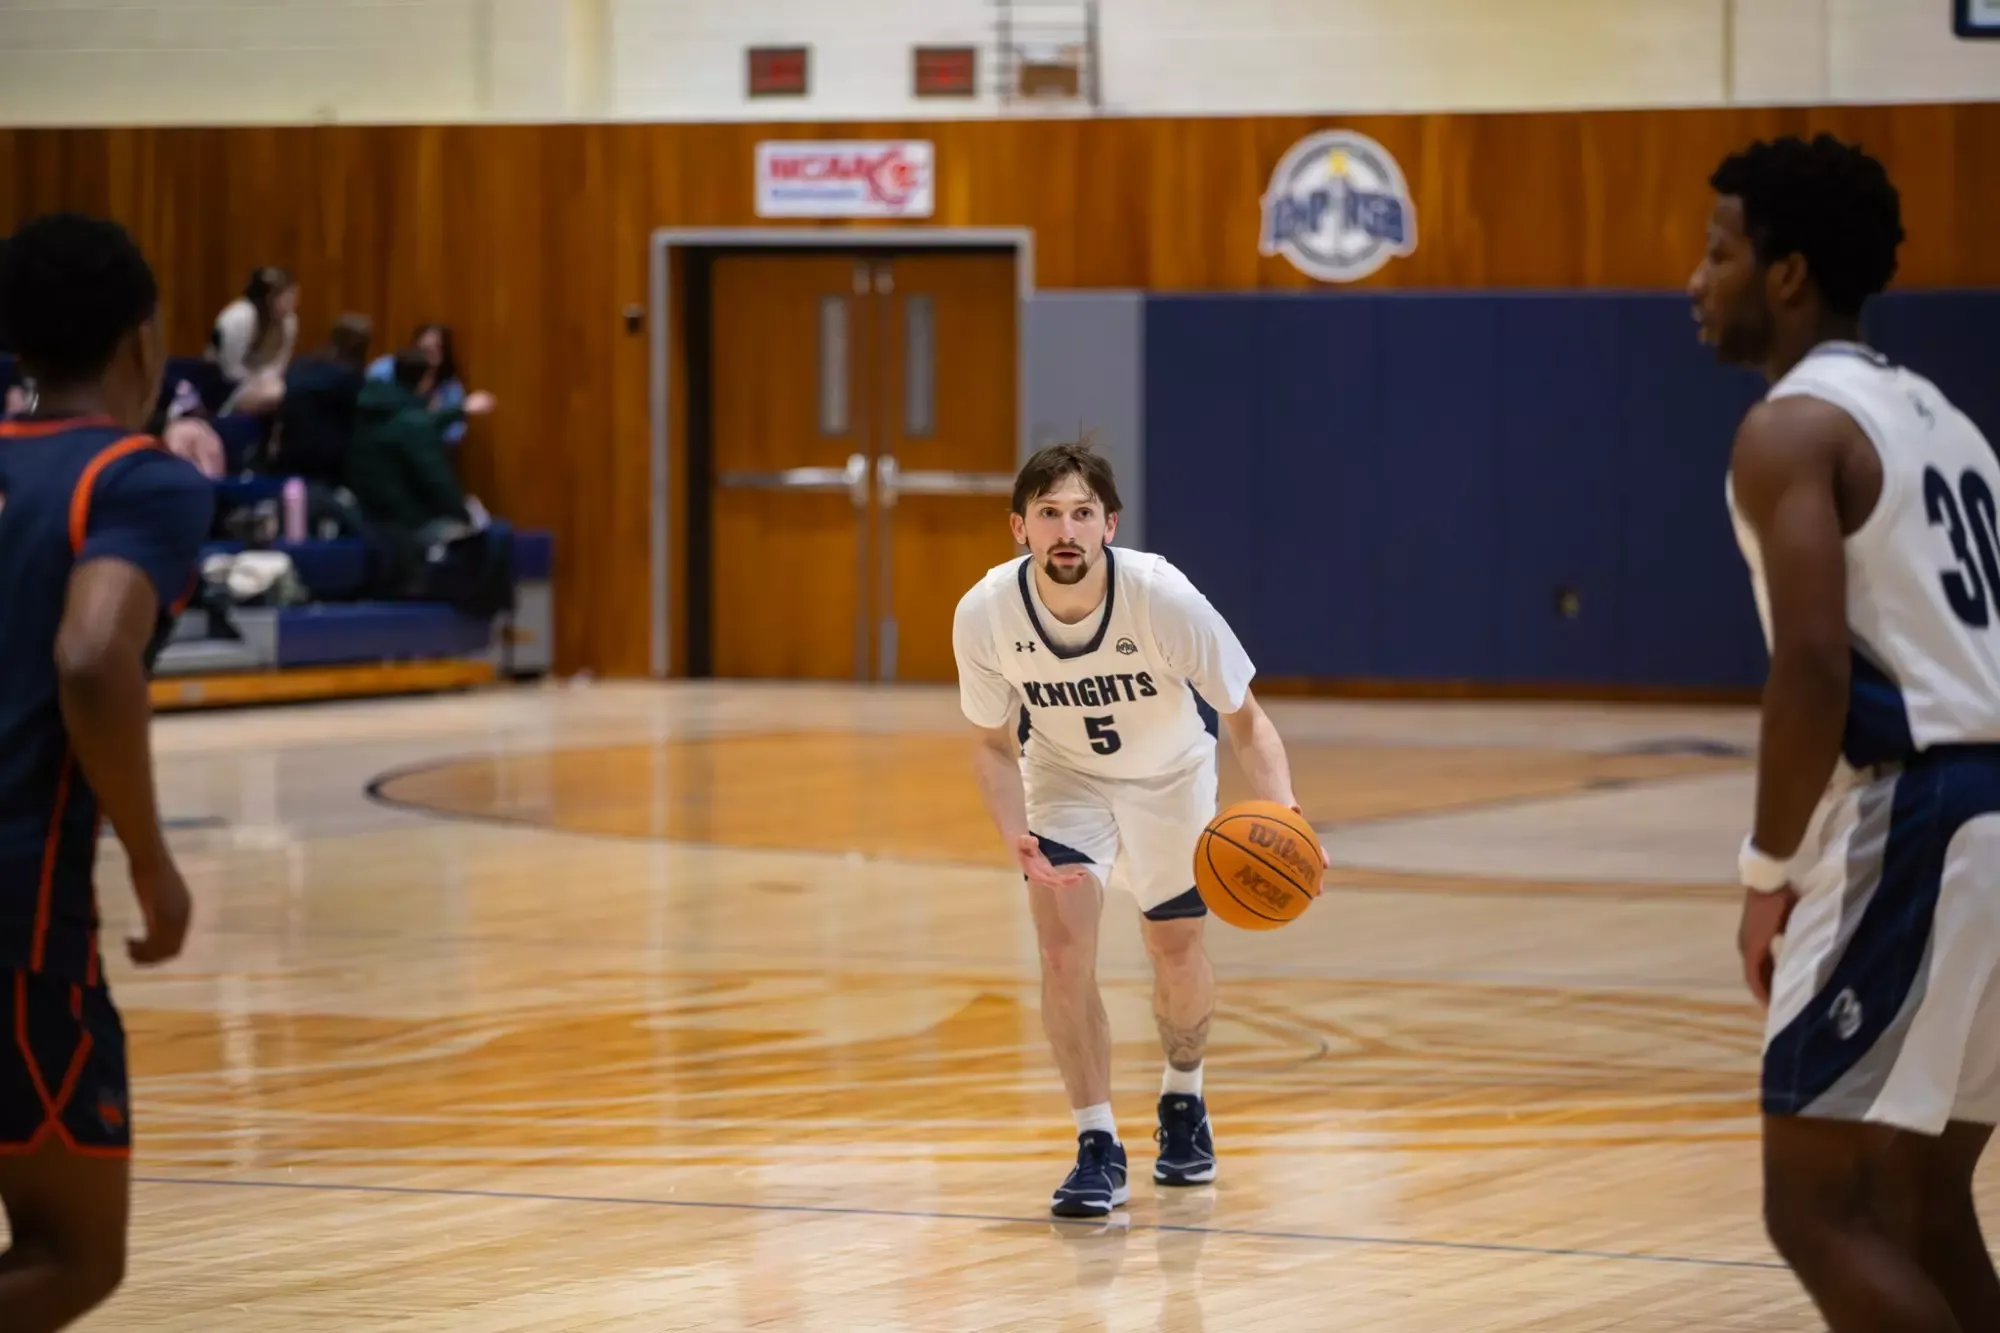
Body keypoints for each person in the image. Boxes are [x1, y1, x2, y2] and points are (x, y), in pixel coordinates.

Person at [1692, 133, 2000, 1332]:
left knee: (1814, 1207)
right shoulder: (1945, 422)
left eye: (1718, 251)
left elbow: (1813, 666)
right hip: (1986, 810)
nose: (1694, 279)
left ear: (1784, 274)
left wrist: (1766, 871)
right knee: (1920, 1205)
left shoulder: (1790, 428)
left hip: (1918, 815)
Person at [951, 440, 1323, 1219]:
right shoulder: (986, 612)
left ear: (1110, 524)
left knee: (1174, 949)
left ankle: (1183, 1097)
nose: (1066, 530)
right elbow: (990, 743)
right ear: (1019, 526)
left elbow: (1247, 721)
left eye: (1082, 513)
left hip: (1170, 779)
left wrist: (1285, 812)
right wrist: (1012, 828)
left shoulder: (1162, 598)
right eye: (1049, 513)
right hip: (1064, 777)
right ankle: (1097, 1142)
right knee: (1061, 951)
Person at [0, 213, 213, 1329]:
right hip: (20, 913)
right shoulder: (135, 479)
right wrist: (150, 862)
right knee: (73, 1255)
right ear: (144, 340)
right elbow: (91, 655)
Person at [206, 265, 298, 414]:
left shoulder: (289, 321)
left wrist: (266, 381)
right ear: (268, 298)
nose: (292, 301)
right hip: (224, 387)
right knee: (274, 395)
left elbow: (279, 364)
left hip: (262, 383)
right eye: (285, 296)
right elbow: (229, 370)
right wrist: (256, 385)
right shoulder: (238, 318)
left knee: (286, 392)